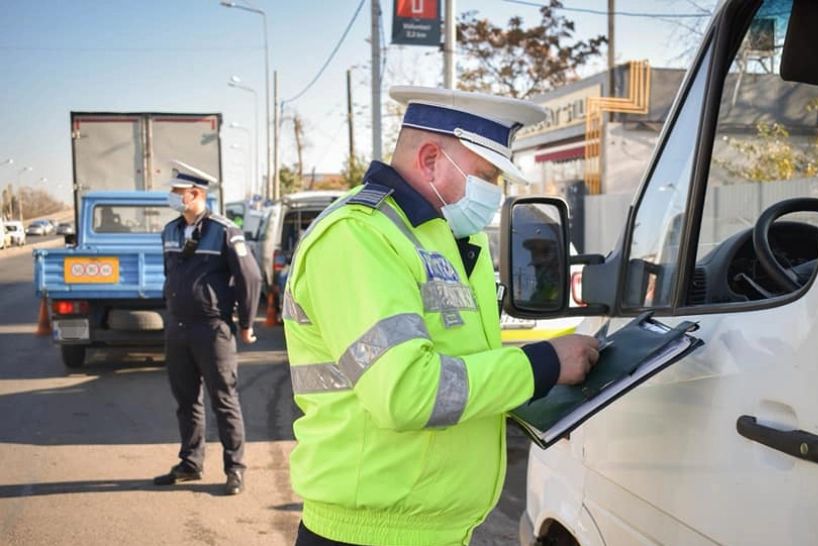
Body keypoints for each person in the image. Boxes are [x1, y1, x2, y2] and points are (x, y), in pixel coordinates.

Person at [282, 86, 601, 546]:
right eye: (487, 175)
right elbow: (408, 391)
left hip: (434, 531)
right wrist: (543, 364)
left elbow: (464, 368)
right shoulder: (358, 237)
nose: (494, 194)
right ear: (430, 159)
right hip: (368, 536)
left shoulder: (444, 240)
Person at [153, 161, 261, 496]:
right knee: (186, 401)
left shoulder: (224, 230)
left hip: (212, 329)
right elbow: (170, 275)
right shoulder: (170, 231)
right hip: (178, 329)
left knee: (223, 400)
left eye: (176, 191)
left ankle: (235, 469)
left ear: (195, 193)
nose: (172, 197)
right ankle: (190, 462)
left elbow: (250, 278)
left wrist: (245, 324)